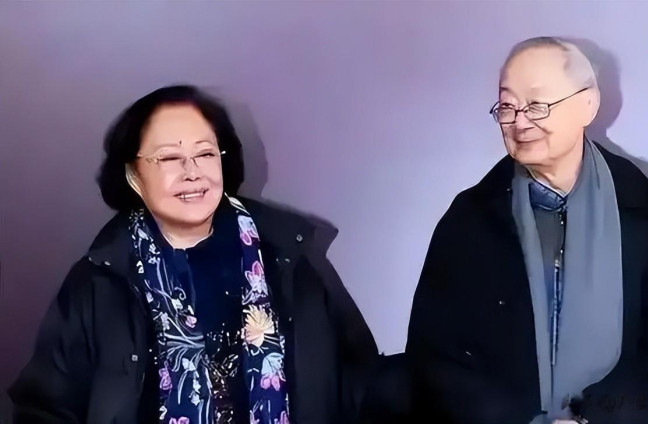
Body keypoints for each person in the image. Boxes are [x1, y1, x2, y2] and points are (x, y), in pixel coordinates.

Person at [9, 85, 377, 424]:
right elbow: (45, 410)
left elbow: (361, 387)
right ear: (134, 176)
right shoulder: (98, 283)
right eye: (170, 158)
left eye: (204, 153)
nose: (192, 172)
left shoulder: (291, 259)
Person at [405, 37, 648, 424]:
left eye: (537, 105)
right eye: (507, 106)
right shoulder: (468, 222)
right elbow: (434, 361)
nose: (520, 122)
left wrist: (591, 419)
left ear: (588, 104)